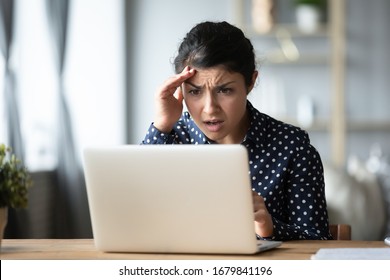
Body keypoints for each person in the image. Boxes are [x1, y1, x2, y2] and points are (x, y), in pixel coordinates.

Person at [142, 21, 332, 241]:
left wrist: (269, 229)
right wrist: (162, 124)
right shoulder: (168, 139)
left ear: (250, 83)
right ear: (181, 89)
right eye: (195, 92)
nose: (210, 108)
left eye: (225, 90)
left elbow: (318, 241)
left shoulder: (293, 147)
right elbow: (134, 216)